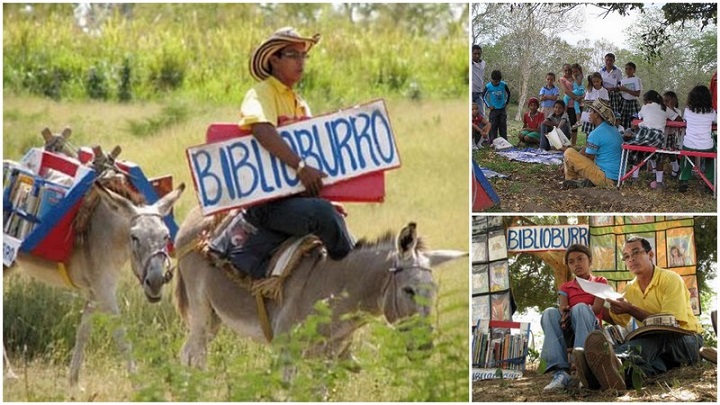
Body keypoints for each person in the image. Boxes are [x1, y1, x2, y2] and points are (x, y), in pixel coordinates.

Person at [210, 27, 354, 279]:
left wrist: (327, 196)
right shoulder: (261, 93)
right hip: (269, 203)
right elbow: (261, 128)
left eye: (303, 56)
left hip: (295, 197)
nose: (301, 62)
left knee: (334, 215)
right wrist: (300, 167)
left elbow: (314, 157)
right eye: (293, 55)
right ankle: (353, 278)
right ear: (274, 60)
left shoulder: (300, 102)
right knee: (324, 215)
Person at [578, 237, 703, 391]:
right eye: (626, 257)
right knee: (653, 364)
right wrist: (591, 304)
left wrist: (630, 308)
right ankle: (605, 378)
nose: (631, 259)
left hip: (686, 338)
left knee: (654, 339)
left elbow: (669, 324)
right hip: (661, 348)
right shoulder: (631, 288)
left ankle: (614, 359)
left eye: (636, 253)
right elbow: (617, 319)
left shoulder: (671, 279)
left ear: (650, 255)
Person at [540, 244, 608, 391]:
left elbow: (596, 308)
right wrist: (565, 313)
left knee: (580, 308)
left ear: (589, 261)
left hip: (592, 330)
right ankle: (561, 372)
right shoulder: (565, 287)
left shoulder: (600, 282)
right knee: (549, 313)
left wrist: (576, 310)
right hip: (570, 329)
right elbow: (562, 309)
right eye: (571, 262)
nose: (576, 264)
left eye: (580, 259)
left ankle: (583, 366)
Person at [622, 90, 680, 189]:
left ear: (648, 101)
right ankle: (659, 182)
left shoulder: (645, 107)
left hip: (643, 134)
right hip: (657, 136)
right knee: (659, 156)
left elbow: (639, 118)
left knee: (637, 152)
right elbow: (679, 120)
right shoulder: (665, 108)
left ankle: (634, 179)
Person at [561, 99, 623, 189]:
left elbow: (589, 157)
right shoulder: (612, 128)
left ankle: (571, 179)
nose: (588, 114)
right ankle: (576, 181)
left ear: (597, 114)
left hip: (606, 177)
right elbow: (587, 149)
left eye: (590, 111)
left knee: (569, 152)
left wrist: (568, 158)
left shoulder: (596, 133)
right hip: (617, 177)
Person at [679, 85, 716, 193]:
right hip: (706, 145)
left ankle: (684, 179)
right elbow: (716, 121)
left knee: (687, 156)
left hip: (689, 144)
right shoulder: (711, 112)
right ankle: (710, 182)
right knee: (711, 158)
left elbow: (685, 120)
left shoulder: (687, 111)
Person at [483, 70, 511, 141]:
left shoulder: (503, 84)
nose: (497, 83)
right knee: (493, 127)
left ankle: (504, 141)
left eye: (498, 81)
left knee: (503, 126)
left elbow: (508, 93)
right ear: (492, 79)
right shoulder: (488, 86)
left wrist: (506, 102)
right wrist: (489, 106)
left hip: (502, 109)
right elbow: (483, 96)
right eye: (495, 81)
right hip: (494, 110)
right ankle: (492, 142)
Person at [580, 72, 609, 136]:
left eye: (597, 81)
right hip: (590, 112)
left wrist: (600, 103)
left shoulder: (604, 91)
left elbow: (606, 101)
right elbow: (586, 101)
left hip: (601, 113)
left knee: (599, 130)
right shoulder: (589, 90)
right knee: (589, 132)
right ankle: (588, 145)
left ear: (601, 80)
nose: (596, 83)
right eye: (594, 82)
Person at [559, 64, 581, 145]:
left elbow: (580, 87)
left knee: (574, 125)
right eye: (565, 70)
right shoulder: (562, 79)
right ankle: (563, 143)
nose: (567, 72)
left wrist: (580, 98)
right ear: (563, 70)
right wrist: (576, 98)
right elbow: (566, 91)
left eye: (569, 70)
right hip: (567, 105)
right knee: (564, 124)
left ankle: (573, 144)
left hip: (576, 105)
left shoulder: (575, 77)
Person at [617, 62, 642, 130]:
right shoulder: (623, 80)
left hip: (633, 103)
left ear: (634, 70)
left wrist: (626, 90)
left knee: (634, 121)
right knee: (622, 121)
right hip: (624, 102)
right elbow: (622, 92)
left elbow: (637, 93)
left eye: (630, 69)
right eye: (626, 69)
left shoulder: (637, 79)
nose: (628, 71)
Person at [472, 44, 487, 116]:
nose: (477, 56)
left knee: (481, 114)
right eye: (475, 54)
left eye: (479, 54)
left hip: (479, 92)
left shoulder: (483, 63)